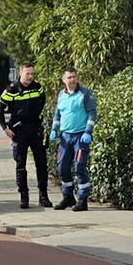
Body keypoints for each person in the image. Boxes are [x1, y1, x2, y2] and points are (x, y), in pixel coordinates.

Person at [0, 62, 51, 209]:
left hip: (35, 129)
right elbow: (0, 108)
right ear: (20, 73)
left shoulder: (37, 87)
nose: (30, 76)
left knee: (41, 164)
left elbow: (43, 100)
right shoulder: (12, 89)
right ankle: (24, 196)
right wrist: (4, 128)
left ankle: (43, 196)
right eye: (28, 73)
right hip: (19, 130)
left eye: (32, 73)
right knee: (21, 165)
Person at [49, 67, 97, 212]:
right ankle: (68, 197)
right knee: (62, 167)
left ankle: (82, 200)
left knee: (79, 167)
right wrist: (53, 130)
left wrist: (88, 131)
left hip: (80, 136)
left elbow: (92, 113)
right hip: (65, 136)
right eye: (69, 77)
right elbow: (57, 115)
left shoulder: (85, 94)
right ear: (63, 80)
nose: (72, 79)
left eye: (74, 77)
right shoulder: (61, 95)